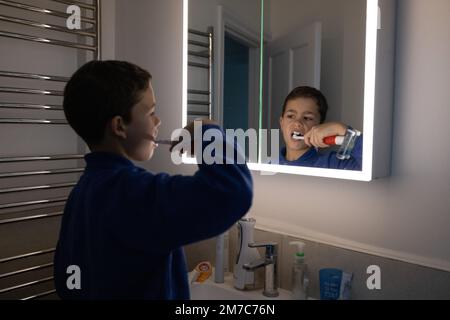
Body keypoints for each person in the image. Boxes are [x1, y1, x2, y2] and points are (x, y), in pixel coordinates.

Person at [54, 60, 253, 299]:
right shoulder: (131, 193)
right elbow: (231, 192)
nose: (158, 122)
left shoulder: (83, 192)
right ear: (119, 126)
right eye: (150, 112)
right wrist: (207, 132)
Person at [278, 86, 362, 170]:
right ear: (282, 123)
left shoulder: (334, 165)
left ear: (320, 127)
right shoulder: (267, 163)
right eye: (290, 116)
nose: (297, 123)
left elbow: (372, 163)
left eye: (307, 118)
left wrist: (340, 129)